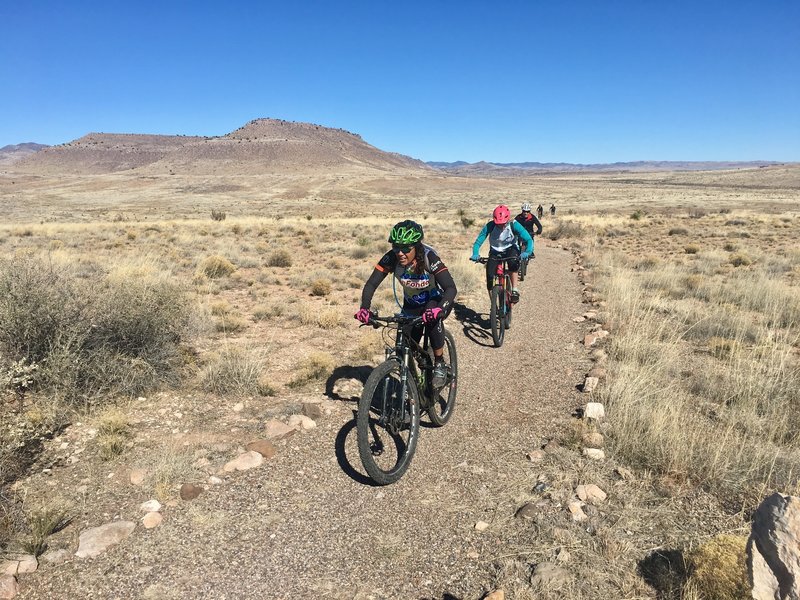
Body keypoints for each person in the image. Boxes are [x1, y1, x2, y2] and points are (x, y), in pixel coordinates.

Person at [355, 220, 457, 388]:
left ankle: (439, 362)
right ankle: (415, 382)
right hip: (411, 305)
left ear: (416, 246)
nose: (400, 253)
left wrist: (440, 308)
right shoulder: (390, 258)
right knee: (406, 347)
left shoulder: (428, 257)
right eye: (396, 247)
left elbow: (450, 288)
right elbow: (371, 284)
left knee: (431, 317)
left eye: (406, 248)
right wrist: (364, 309)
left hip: (436, 300)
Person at [470, 204, 533, 304]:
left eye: (503, 223)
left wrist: (527, 252)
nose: (501, 225)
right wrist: (475, 253)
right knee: (490, 274)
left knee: (513, 263)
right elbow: (478, 242)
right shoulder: (490, 226)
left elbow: (529, 240)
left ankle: (515, 289)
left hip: (510, 248)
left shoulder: (514, 224)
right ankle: (493, 303)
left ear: (507, 219)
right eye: (498, 223)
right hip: (495, 251)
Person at [514, 203, 542, 281]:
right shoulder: (518, 217)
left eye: (527, 211)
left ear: (529, 211)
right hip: (520, 235)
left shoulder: (532, 217)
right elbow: (513, 224)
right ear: (522, 211)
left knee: (530, 244)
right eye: (524, 211)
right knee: (517, 246)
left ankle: (530, 253)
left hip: (529, 234)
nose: (525, 213)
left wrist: (539, 230)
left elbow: (539, 225)